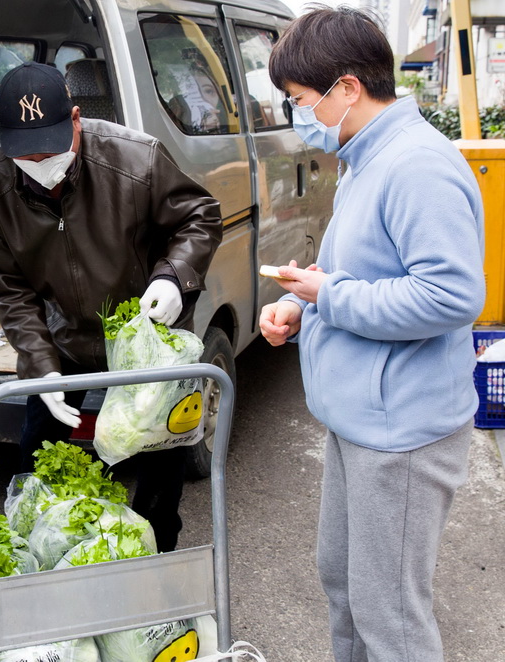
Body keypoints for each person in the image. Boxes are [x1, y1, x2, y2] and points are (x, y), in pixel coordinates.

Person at [258, 8, 485, 662]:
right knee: (345, 582)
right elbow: (360, 272)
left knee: (391, 614)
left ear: (348, 88)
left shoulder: (416, 166)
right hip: (360, 420)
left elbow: (450, 293)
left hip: (403, 431)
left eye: (302, 101)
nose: (302, 115)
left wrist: (329, 295)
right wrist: (305, 302)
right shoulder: (365, 158)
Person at [0, 62, 222, 551]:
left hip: (149, 335)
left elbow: (200, 216)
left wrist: (174, 276)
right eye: (26, 156)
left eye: (52, 149)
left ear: (77, 120)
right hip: (65, 340)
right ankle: (39, 557)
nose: (41, 165)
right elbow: (10, 290)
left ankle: (156, 558)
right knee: (37, 456)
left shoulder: (135, 159)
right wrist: (42, 369)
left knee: (160, 468)